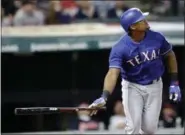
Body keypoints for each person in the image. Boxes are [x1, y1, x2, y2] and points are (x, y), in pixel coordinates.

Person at [88, 8, 181, 134]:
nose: (145, 21)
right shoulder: (120, 48)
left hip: (155, 85)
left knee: (149, 129)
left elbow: (170, 55)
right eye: (141, 20)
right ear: (133, 26)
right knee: (133, 127)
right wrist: (104, 97)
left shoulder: (157, 37)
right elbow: (113, 73)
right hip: (133, 86)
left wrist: (174, 82)